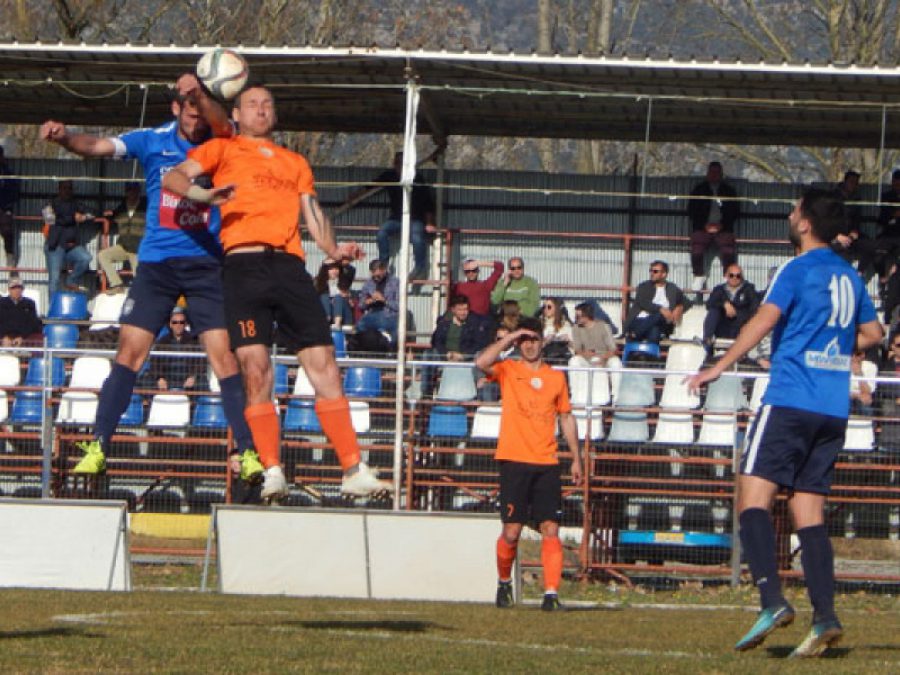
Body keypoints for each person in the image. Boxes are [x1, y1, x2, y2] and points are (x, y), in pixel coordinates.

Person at [162, 84, 390, 501]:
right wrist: (205, 195)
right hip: (243, 267)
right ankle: (271, 469)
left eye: (268, 104)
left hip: (289, 266)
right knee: (255, 368)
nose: (261, 110)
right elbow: (175, 179)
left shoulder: (295, 161)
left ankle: (352, 469)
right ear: (237, 112)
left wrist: (332, 249)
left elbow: (313, 212)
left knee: (323, 363)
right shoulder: (223, 148)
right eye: (252, 104)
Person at [686, 188, 882, 657]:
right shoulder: (850, 277)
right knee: (807, 512)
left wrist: (719, 365)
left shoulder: (795, 269)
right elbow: (874, 334)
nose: (789, 215)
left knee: (751, 497)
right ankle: (826, 617)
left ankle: (772, 600)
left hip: (791, 398)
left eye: (794, 210)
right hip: (832, 408)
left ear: (806, 223)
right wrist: (834, 340)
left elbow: (763, 321)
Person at [40, 73, 256, 479]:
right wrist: (65, 137)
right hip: (157, 265)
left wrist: (205, 95)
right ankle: (99, 446)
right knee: (129, 353)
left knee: (225, 358)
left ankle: (246, 452)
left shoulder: (221, 142)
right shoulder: (152, 139)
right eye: (190, 111)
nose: (197, 120)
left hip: (207, 265)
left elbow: (228, 124)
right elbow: (97, 146)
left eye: (202, 111)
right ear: (176, 109)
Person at [475, 316, 582, 612]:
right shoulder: (508, 369)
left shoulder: (556, 378)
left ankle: (550, 594)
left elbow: (566, 417)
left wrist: (576, 459)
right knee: (512, 531)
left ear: (542, 341)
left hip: (546, 461)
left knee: (550, 527)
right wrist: (509, 338)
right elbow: (482, 362)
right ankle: (504, 582)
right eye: (525, 340)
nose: (530, 345)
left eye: (533, 339)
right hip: (514, 460)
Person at [369, 151, 436, 281]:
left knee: (417, 237)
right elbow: (370, 187)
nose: (398, 165)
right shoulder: (389, 176)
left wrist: (429, 222)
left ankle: (420, 267)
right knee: (382, 232)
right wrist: (354, 196)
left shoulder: (417, 178)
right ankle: (383, 264)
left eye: (402, 163)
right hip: (397, 218)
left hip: (416, 218)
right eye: (397, 163)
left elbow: (428, 203)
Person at [421, 294, 490, 398]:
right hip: (446, 356)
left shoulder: (475, 322)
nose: (463, 312)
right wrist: (446, 353)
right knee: (428, 355)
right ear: (453, 310)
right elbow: (436, 341)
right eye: (460, 309)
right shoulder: (444, 323)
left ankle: (479, 396)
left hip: (467, 357)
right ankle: (426, 394)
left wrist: (464, 355)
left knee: (480, 356)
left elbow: (479, 343)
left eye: (465, 309)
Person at [687, 161, 740, 293]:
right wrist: (704, 225)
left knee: (728, 251)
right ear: (707, 173)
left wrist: (721, 225)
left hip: (723, 228)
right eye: (712, 172)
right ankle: (698, 276)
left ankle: (727, 277)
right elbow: (691, 211)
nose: (714, 175)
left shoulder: (729, 191)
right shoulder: (699, 190)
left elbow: (735, 211)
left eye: (717, 172)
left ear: (722, 174)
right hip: (702, 228)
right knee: (696, 249)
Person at [44, 179, 95, 293]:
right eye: (64, 188)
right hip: (55, 246)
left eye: (69, 188)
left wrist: (85, 217)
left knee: (86, 258)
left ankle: (71, 280)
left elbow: (92, 212)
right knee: (54, 279)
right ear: (59, 190)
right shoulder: (51, 203)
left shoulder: (75, 204)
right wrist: (73, 217)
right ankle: (53, 309)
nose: (67, 191)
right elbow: (50, 218)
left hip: (70, 246)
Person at [99, 180, 146, 293]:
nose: (131, 193)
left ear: (139, 191)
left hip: (139, 249)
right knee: (103, 255)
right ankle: (117, 284)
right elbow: (111, 216)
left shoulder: (146, 206)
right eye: (129, 190)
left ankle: (141, 297)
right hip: (124, 247)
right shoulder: (122, 207)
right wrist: (105, 216)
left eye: (134, 190)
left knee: (139, 277)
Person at [702, 263, 759, 353]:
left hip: (741, 326)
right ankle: (707, 341)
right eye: (731, 275)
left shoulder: (749, 290)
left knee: (751, 316)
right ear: (726, 276)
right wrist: (724, 304)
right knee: (714, 311)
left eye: (738, 276)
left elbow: (754, 307)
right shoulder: (719, 289)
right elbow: (709, 304)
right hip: (723, 326)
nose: (734, 278)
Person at [624, 260, 686, 343]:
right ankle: (638, 337)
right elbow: (643, 302)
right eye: (650, 271)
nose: (652, 273)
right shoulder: (644, 286)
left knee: (657, 326)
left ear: (664, 274)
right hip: (639, 320)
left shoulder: (672, 288)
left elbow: (686, 301)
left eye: (655, 271)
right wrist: (660, 309)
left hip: (662, 323)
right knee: (655, 332)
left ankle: (634, 335)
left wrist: (679, 307)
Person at [831, 170, 877, 279]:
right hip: (834, 235)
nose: (854, 185)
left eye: (856, 183)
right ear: (845, 181)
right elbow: (826, 220)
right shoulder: (833, 197)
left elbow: (857, 219)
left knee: (870, 244)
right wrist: (837, 235)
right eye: (851, 182)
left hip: (850, 235)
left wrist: (854, 232)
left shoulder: (856, 198)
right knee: (842, 252)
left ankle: (859, 273)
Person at [148, 306, 205, 391]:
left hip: (187, 378)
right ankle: (146, 403)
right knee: (145, 378)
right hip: (167, 378)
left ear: (185, 324)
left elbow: (201, 363)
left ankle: (194, 403)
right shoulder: (162, 342)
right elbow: (154, 363)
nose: (178, 325)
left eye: (181, 322)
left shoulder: (194, 341)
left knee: (203, 381)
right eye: (175, 322)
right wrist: (159, 378)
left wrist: (193, 377)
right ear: (170, 324)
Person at [357, 258, 400, 343]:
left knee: (392, 326)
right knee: (360, 325)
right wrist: (368, 301)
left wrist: (384, 300)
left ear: (384, 270)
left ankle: (389, 349)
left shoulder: (395, 282)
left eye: (378, 276)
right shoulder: (368, 283)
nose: (376, 278)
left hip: (389, 315)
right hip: (372, 314)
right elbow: (361, 305)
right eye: (374, 276)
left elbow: (399, 306)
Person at [569, 301, 617, 367]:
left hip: (605, 358)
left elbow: (613, 349)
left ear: (586, 315)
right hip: (586, 359)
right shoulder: (576, 328)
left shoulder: (603, 326)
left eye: (578, 316)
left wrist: (603, 357)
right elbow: (577, 350)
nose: (576, 319)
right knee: (574, 361)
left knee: (615, 362)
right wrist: (584, 354)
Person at [874, 169, 900, 283]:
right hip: (888, 234)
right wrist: (894, 215)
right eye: (896, 182)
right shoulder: (886, 197)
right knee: (878, 256)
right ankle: (883, 280)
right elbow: (882, 218)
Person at [314, 257, 355, 328]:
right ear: (326, 270)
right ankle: (327, 320)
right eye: (331, 269)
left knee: (338, 297)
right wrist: (324, 264)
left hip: (343, 313)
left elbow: (352, 270)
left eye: (336, 269)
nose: (334, 271)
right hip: (328, 312)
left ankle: (337, 324)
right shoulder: (320, 283)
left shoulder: (343, 281)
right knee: (324, 296)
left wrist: (340, 261)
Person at [0, 278, 42, 346]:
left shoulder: (29, 304)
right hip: (4, 339)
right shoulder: (1, 303)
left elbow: (33, 323)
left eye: (19, 288)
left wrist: (22, 337)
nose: (17, 290)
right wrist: (3, 337)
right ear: (9, 290)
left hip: (24, 340)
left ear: (22, 289)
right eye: (13, 288)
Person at [0, 145, 20, 271]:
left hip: (4, 206)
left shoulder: (7, 172)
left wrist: (7, 205)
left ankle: (10, 255)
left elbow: (14, 190)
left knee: (7, 230)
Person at [540, 297, 573, 363]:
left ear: (556, 308)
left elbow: (574, 346)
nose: (546, 309)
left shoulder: (565, 324)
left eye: (549, 307)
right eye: (544, 307)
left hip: (562, 356)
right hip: (544, 355)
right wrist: (545, 341)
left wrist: (566, 340)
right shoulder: (540, 324)